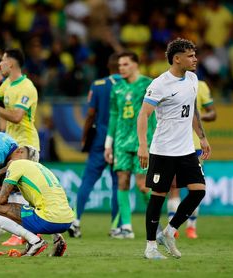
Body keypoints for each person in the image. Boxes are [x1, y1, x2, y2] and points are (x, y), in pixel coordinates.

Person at [137, 38, 211, 259]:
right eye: (190, 55)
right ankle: (150, 246)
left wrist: (202, 137)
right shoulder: (160, 84)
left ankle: (169, 232)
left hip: (186, 149)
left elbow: (192, 111)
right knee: (158, 196)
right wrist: (143, 145)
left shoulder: (192, 78)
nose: (195, 59)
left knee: (199, 191)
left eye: (194, 54)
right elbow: (143, 115)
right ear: (176, 59)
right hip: (163, 150)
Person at [104, 51, 155, 239]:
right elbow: (114, 116)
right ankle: (126, 227)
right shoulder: (117, 88)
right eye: (119, 65)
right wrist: (108, 144)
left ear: (135, 64)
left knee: (143, 185)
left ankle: (154, 222)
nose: (121, 68)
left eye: (125, 64)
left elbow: (156, 113)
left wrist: (156, 139)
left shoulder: (148, 85)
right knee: (122, 181)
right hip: (121, 142)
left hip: (144, 141)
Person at [68, 54, 120, 238]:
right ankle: (116, 227)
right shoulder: (130, 86)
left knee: (87, 181)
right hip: (121, 141)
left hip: (99, 139)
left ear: (108, 65)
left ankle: (75, 221)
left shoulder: (98, 85)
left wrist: (84, 137)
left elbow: (90, 113)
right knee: (118, 184)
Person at [0, 48, 41, 246]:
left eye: (2, 61)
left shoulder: (26, 87)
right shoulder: (7, 83)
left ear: (11, 63)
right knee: (13, 190)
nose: (0, 64)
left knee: (22, 192)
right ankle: (22, 233)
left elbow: (16, 116)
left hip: (26, 144)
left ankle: (23, 234)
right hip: (11, 144)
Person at [0, 159, 74, 257]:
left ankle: (35, 242)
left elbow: (2, 199)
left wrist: (0, 190)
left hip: (48, 221)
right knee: (37, 210)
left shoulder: (15, 166)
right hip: (67, 221)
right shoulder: (37, 167)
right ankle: (58, 239)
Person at [167, 80, 216, 239]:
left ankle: (191, 227)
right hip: (173, 143)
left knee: (194, 188)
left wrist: (197, 115)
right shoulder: (168, 84)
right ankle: (172, 228)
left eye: (194, 55)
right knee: (173, 186)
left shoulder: (200, 85)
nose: (193, 60)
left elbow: (212, 113)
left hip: (193, 146)